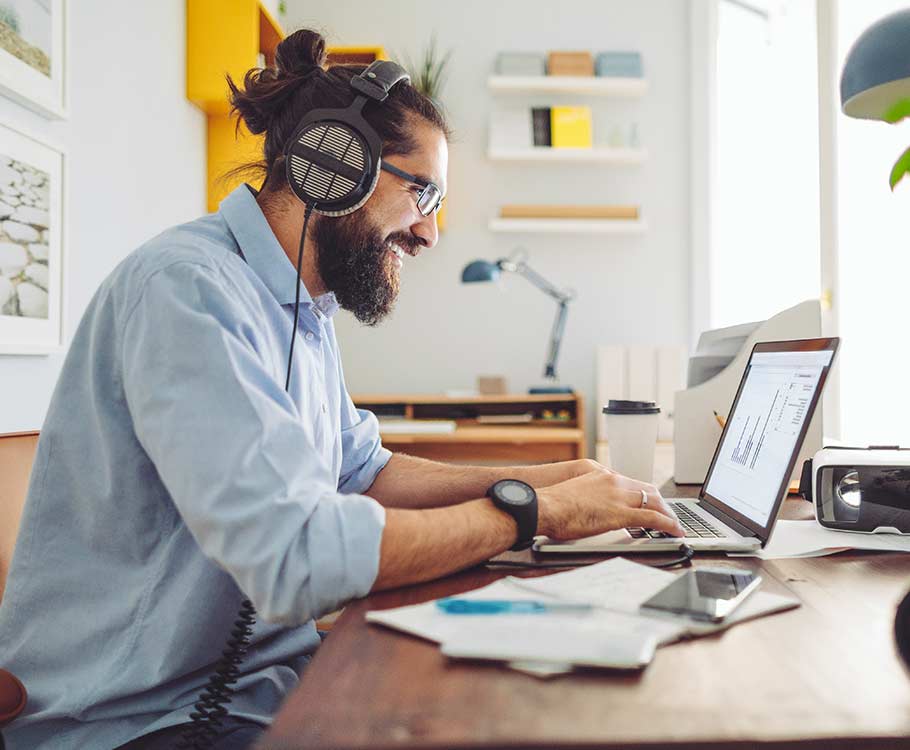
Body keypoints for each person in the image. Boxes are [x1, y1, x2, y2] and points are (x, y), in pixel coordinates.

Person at [0, 29, 683, 750]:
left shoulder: (300, 304)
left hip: (266, 684)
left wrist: (557, 479)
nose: (430, 234)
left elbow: (363, 472)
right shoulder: (187, 291)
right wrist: (532, 511)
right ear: (333, 165)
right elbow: (299, 559)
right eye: (423, 193)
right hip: (143, 723)